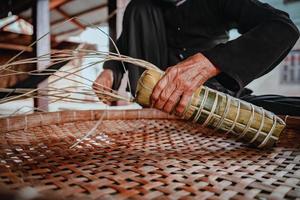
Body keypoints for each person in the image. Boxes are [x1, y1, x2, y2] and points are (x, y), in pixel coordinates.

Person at [93, 0, 299, 115]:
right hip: (157, 105)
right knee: (139, 7)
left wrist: (211, 63)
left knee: (283, 114)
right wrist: (110, 72)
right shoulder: (143, 10)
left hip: (215, 98)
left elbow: (282, 28)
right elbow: (123, 49)